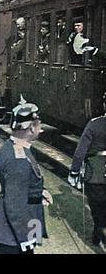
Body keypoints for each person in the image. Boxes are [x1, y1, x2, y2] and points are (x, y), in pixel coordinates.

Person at [0, 97, 52, 254]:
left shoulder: (16, 147)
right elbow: (15, 204)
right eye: (38, 124)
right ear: (31, 129)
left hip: (22, 224)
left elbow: (23, 183)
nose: (40, 127)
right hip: (15, 233)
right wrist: (26, 237)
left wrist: (39, 192)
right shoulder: (17, 159)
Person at [69, 92, 106, 246]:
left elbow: (80, 152)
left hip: (95, 174)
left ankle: (99, 231)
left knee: (97, 208)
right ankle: (99, 232)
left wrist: (74, 172)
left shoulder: (94, 124)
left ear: (104, 105)